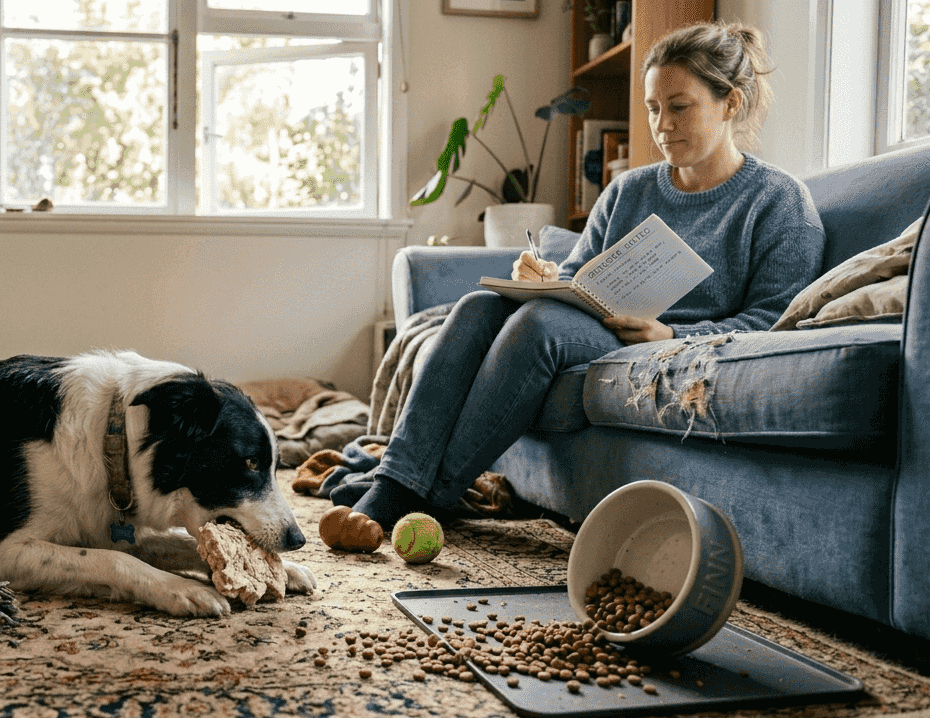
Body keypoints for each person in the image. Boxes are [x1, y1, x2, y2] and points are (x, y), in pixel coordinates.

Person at [346, 21, 826, 533]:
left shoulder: (779, 201)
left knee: (538, 329)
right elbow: (580, 279)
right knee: (477, 307)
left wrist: (672, 335)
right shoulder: (628, 190)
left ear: (730, 102)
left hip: (662, 345)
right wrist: (543, 279)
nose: (662, 125)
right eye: (653, 108)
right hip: (596, 326)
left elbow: (776, 324)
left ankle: (428, 498)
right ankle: (396, 481)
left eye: (679, 106)